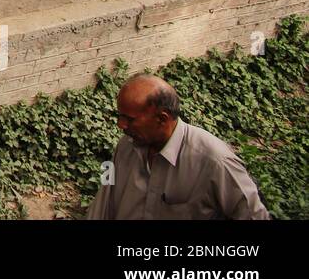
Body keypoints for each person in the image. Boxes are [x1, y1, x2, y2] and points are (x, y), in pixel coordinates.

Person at [87, 74, 270, 220]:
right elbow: (103, 202)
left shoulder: (215, 161)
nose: (121, 125)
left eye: (130, 119)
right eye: (120, 116)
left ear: (162, 119)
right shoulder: (125, 147)